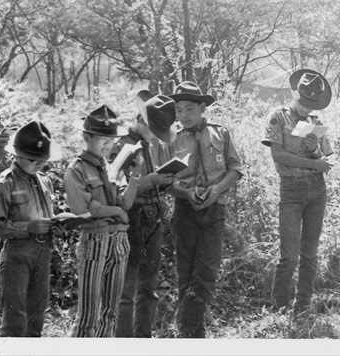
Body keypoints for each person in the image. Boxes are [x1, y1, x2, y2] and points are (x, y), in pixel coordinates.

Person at [166, 81, 243, 338]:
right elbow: (165, 180)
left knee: (206, 273)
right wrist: (185, 192)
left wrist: (218, 189)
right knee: (185, 273)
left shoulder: (221, 133)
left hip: (214, 210)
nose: (183, 115)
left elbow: (235, 169)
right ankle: (192, 334)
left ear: (202, 108)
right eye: (178, 110)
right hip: (184, 209)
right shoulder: (172, 138)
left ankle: (186, 328)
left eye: (189, 109)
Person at [261, 69, 334, 315]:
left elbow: (324, 157)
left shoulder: (316, 123)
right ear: (295, 95)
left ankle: (302, 306)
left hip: (316, 189)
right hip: (291, 189)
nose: (306, 107)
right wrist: (314, 163)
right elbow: (278, 155)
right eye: (303, 101)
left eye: (311, 104)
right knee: (289, 255)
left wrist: (314, 150)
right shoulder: (278, 118)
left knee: (310, 254)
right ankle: (279, 308)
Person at [64, 105, 139, 337]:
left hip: (119, 240)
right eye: (102, 140)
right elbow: (83, 208)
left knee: (110, 312)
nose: (108, 146)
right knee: (88, 315)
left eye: (112, 141)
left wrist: (136, 178)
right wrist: (115, 211)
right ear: (86, 138)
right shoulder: (76, 169)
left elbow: (125, 204)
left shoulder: (111, 168)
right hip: (95, 240)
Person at [0, 121, 64, 336]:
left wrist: (55, 226)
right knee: (15, 320)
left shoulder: (45, 181)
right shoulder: (5, 184)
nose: (38, 164)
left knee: (36, 317)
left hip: (43, 253)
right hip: (16, 256)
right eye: (32, 159)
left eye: (42, 160)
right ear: (17, 155)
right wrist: (29, 227)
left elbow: (48, 215)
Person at [112, 91, 178, 337]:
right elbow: (115, 188)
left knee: (149, 288)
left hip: (152, 218)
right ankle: (125, 343)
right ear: (141, 119)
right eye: (154, 130)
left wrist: (163, 181)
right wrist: (153, 180)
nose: (156, 136)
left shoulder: (149, 145)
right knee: (127, 291)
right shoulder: (123, 145)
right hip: (133, 219)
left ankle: (143, 338)